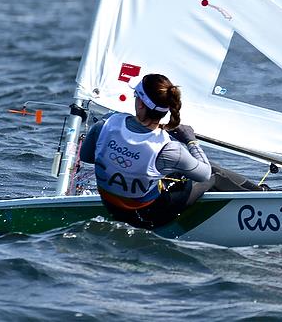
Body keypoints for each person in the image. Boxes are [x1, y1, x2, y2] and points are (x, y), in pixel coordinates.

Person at [79, 73, 265, 230]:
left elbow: (87, 156)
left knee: (176, 171)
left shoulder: (106, 124)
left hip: (112, 207)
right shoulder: (169, 149)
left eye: (136, 95)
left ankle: (260, 192)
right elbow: (205, 173)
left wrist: (121, 159)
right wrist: (190, 141)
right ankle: (262, 203)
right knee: (213, 175)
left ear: (141, 104)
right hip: (148, 218)